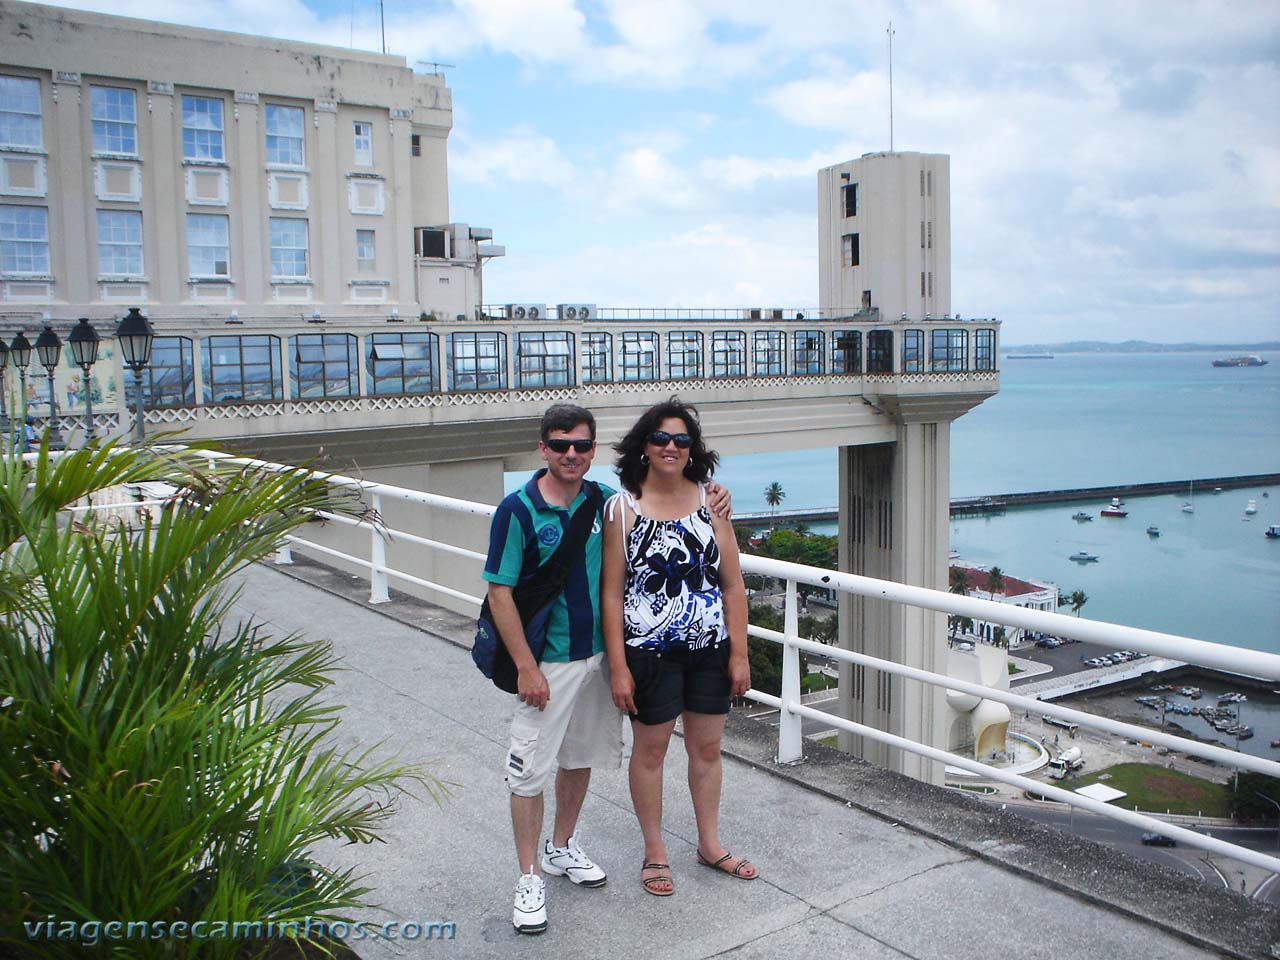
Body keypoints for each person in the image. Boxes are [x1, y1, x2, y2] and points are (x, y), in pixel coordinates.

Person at [483, 403, 732, 934]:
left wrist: (715, 494)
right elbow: (499, 593)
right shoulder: (519, 509)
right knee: (529, 771)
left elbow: (665, 507)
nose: (570, 454)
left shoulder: (602, 502)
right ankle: (529, 877)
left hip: (598, 655)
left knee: (580, 759)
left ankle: (561, 846)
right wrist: (527, 668)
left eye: (580, 446)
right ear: (543, 448)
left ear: (593, 450)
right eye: (559, 445)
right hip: (548, 661)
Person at [601, 398, 756, 898]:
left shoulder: (712, 502)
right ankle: (654, 852)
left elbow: (732, 585)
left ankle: (709, 844)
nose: (672, 447)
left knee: (707, 749)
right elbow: (612, 593)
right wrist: (619, 668)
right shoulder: (622, 507)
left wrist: (739, 654)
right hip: (648, 651)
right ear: (644, 446)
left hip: (709, 648)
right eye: (662, 438)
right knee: (651, 751)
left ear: (693, 449)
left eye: (682, 439)